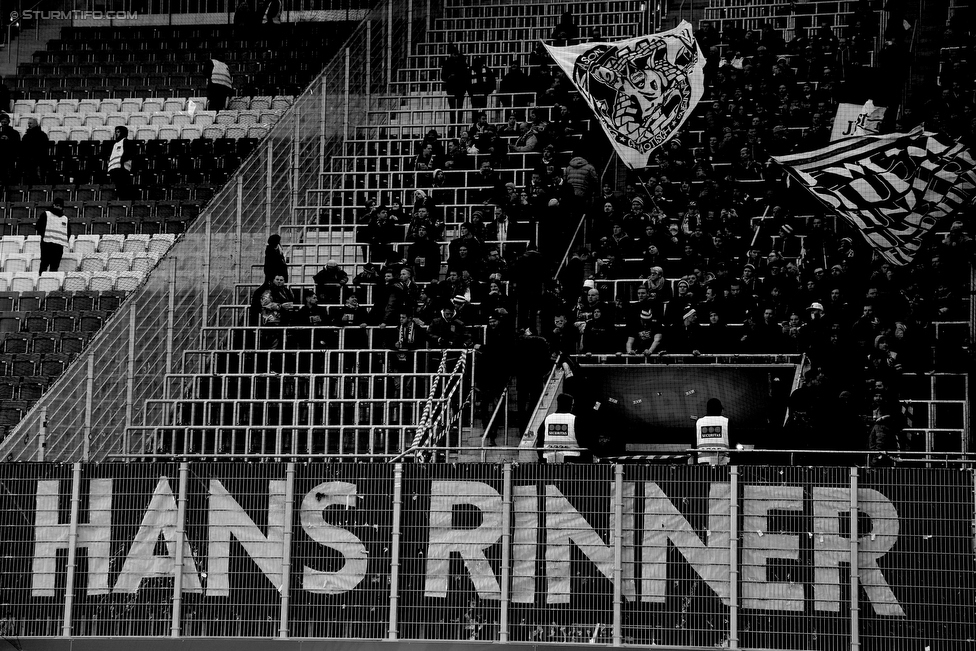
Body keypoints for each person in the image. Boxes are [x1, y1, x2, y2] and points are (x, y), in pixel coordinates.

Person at [538, 393, 582, 463]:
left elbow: (540, 440)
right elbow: (583, 439)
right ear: (570, 405)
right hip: (571, 458)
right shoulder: (574, 419)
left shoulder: (548, 419)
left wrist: (541, 457)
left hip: (549, 458)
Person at [259, 273, 298, 349]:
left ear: (284, 281)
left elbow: (292, 301)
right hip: (272, 320)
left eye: (281, 280)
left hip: (285, 320)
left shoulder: (287, 291)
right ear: (273, 280)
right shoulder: (268, 291)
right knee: (272, 344)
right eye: (277, 279)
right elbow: (265, 303)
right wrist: (280, 306)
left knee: (283, 344)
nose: (279, 281)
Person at [36, 198, 68, 273]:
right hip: (50, 245)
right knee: (47, 266)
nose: (57, 207)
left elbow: (67, 233)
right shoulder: (47, 214)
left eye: (59, 206)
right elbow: (38, 226)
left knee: (50, 267)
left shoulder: (64, 218)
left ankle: (47, 282)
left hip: (53, 246)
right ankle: (42, 281)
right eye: (57, 205)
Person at [440, 45, 469, 126]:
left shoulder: (462, 63)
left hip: (460, 88)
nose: (455, 56)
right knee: (452, 108)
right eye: (453, 54)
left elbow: (466, 76)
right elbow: (443, 76)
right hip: (451, 88)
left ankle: (458, 126)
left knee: (459, 108)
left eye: (456, 54)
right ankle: (453, 126)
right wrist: (449, 77)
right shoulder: (447, 63)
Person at [695, 398, 730, 465]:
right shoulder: (727, 421)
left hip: (703, 463)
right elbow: (733, 443)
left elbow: (694, 444)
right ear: (720, 409)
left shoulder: (699, 422)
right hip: (723, 463)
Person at [105, 126, 136, 200]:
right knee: (118, 189)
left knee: (123, 189)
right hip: (114, 170)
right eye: (116, 132)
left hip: (122, 170)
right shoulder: (115, 144)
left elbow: (129, 153)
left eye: (118, 132)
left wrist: (122, 162)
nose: (116, 134)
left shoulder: (126, 142)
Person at [20, 117, 49, 185]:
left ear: (35, 124)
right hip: (28, 160)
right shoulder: (26, 136)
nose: (29, 125)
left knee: (38, 177)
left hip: (39, 160)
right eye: (28, 123)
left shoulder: (42, 135)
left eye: (30, 123)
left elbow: (44, 147)